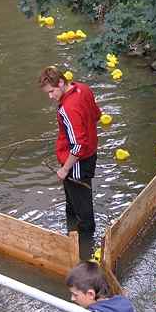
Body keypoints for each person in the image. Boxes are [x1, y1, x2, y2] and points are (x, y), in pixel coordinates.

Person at [39, 67, 101, 258]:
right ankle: (71, 234)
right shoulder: (84, 88)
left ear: (60, 83)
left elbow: (77, 146)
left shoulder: (67, 109)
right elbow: (96, 115)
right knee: (74, 201)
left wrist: (65, 169)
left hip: (76, 163)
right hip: (90, 156)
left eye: (51, 91)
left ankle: (84, 252)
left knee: (82, 211)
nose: (50, 96)